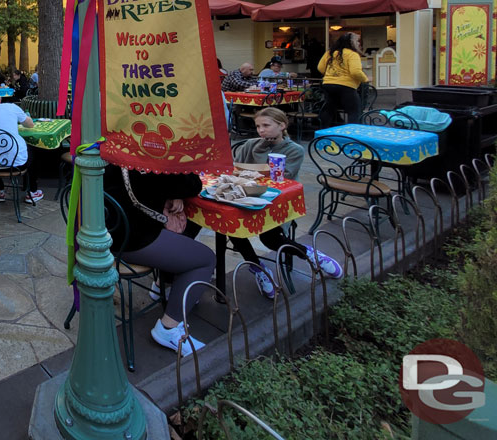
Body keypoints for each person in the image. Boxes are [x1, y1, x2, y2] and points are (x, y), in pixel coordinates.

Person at [227, 107, 342, 297]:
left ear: (282, 125)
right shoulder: (250, 145)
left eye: (266, 125)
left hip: (276, 202)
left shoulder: (293, 150)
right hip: (248, 198)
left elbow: (281, 178)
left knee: (269, 239)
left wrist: (253, 168)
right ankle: (258, 268)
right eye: (258, 126)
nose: (261, 130)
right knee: (232, 226)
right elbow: (237, 171)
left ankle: (310, 255)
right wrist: (257, 154)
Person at [102, 165, 214, 355]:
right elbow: (192, 184)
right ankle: (168, 328)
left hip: (106, 231)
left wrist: (172, 195)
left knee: (185, 235)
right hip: (130, 240)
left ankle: (162, 284)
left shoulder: (117, 149)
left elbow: (161, 185)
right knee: (206, 259)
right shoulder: (151, 151)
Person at [0, 90, 42, 203]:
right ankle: (32, 192)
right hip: (17, 164)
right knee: (31, 151)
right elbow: (30, 124)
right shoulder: (12, 107)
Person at [318, 32, 367, 128]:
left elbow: (320, 67)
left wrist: (330, 75)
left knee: (329, 110)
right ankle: (352, 135)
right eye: (357, 41)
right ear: (352, 43)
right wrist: (365, 79)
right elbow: (355, 72)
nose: (359, 44)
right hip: (346, 86)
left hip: (328, 84)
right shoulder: (352, 54)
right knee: (354, 111)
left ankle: (324, 132)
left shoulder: (330, 53)